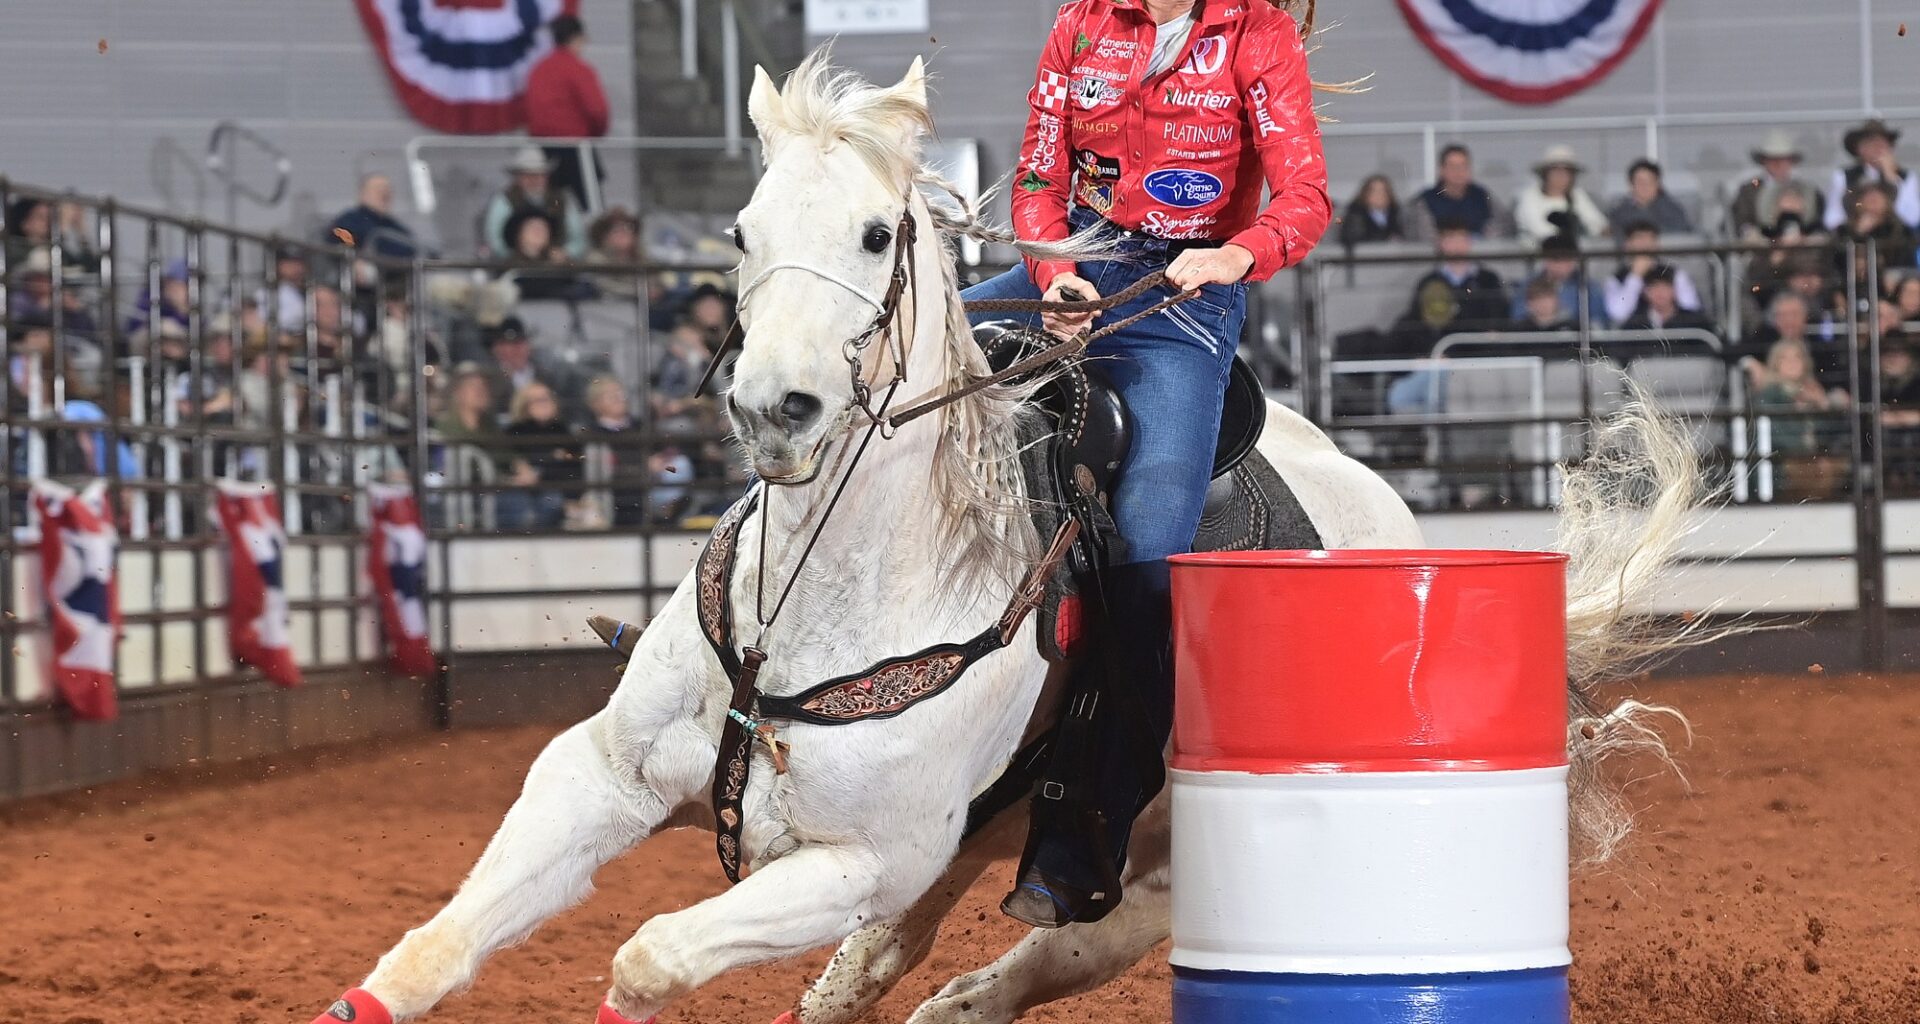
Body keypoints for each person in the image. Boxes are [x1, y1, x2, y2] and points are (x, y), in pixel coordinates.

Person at [960, 0, 1330, 928]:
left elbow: (1303, 197)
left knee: (1150, 558)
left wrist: (1236, 256)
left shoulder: (1258, 35)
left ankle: (1084, 836)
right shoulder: (1080, 23)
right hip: (1073, 270)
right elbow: (1039, 177)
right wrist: (1055, 273)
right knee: (887, 365)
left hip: (1182, 306)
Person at [525, 14, 611, 210]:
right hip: (576, 149)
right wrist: (595, 134)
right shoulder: (579, 69)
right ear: (576, 38)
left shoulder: (539, 70)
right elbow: (597, 110)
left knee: (550, 205)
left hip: (545, 149)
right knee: (592, 205)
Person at [1742, 337, 1844, 499]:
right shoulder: (1768, 395)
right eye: (1785, 358)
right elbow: (1775, 435)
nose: (1792, 363)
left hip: (1812, 460)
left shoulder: (1812, 392)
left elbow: (1832, 435)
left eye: (1797, 357)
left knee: (1835, 465)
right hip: (1780, 463)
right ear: (1775, 364)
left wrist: (1823, 404)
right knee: (1817, 472)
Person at [1391, 219, 1509, 354]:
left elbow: (1498, 318)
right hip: (1442, 354)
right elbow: (1419, 323)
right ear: (1440, 243)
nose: (1457, 245)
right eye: (1451, 239)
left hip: (1480, 353)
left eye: (1461, 238)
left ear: (1469, 242)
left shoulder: (1488, 279)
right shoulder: (1429, 282)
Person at [497, 382, 581, 531]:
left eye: (546, 398)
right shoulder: (513, 432)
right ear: (524, 405)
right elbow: (509, 463)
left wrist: (541, 471)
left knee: (554, 502)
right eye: (537, 400)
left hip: (558, 490)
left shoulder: (564, 431)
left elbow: (575, 464)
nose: (544, 403)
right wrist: (553, 458)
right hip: (522, 492)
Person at [482, 146, 587, 259]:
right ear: (518, 177)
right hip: (515, 263)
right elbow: (495, 239)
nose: (533, 179)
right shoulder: (504, 200)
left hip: (556, 264)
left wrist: (565, 252)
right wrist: (514, 257)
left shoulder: (562, 199)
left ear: (547, 176)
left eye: (538, 174)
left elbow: (578, 237)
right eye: (527, 175)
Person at [1824, 118, 1920, 233]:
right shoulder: (1843, 176)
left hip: (1895, 238)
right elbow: (1833, 218)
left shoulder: (1907, 177)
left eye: (1882, 144)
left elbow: (1912, 218)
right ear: (1859, 149)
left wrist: (1891, 176)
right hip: (1857, 236)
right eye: (1871, 143)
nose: (1877, 149)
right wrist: (1856, 227)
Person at [1731, 131, 1824, 242]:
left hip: (1803, 246)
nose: (1778, 163)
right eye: (1773, 158)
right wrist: (1753, 234)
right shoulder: (1749, 190)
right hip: (1762, 248)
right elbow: (1740, 222)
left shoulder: (1806, 189)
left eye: (1783, 158)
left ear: (1791, 161)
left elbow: (1818, 220)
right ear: (1764, 161)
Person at [1605, 222, 1703, 324]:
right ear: (1627, 244)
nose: (1645, 244)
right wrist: (1635, 277)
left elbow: (1691, 308)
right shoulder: (1617, 278)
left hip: (1674, 329)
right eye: (1639, 238)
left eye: (1650, 239)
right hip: (1635, 331)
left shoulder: (1674, 273)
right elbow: (1618, 314)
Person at [1514, 144, 1608, 244]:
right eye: (1556, 171)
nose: (1561, 176)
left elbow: (1598, 224)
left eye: (1567, 172)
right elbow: (1539, 230)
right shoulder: (1529, 197)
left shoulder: (1577, 195)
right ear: (1545, 174)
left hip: (1574, 251)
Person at [1407, 143, 1503, 240]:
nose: (1458, 172)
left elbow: (1500, 226)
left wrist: (1472, 241)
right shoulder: (1426, 200)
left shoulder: (1483, 197)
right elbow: (1423, 236)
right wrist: (1445, 242)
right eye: (1452, 166)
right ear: (1441, 170)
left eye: (1463, 166)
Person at [1509, 233, 1606, 326]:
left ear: (1574, 260)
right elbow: (1518, 318)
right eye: (1556, 260)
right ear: (1545, 260)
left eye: (1567, 259)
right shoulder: (1529, 285)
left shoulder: (1589, 287)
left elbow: (1598, 322)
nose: (1562, 265)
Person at [326, 173, 417, 259]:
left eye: (387, 190)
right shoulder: (349, 221)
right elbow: (336, 246)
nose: (384, 194)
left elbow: (412, 250)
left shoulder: (396, 228)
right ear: (362, 194)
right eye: (378, 189)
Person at [1836, 180, 1917, 268]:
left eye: (1879, 194)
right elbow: (1839, 260)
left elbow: (1906, 263)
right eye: (1867, 195)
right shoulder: (1843, 231)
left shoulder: (1901, 231)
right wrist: (1858, 233)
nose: (1873, 196)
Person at [1620, 265, 1715, 336]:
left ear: (1674, 290)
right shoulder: (1635, 324)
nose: (1659, 293)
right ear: (1645, 292)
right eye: (1654, 287)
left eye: (1665, 287)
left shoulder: (1694, 321)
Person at [1607, 159, 1693, 237]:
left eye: (1649, 181)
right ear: (1631, 185)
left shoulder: (1674, 212)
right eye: (1640, 181)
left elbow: (1682, 237)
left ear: (1658, 184)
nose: (1645, 186)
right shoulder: (1618, 214)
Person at [1337, 174, 1404, 246]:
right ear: (1365, 194)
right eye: (1374, 191)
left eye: (1383, 191)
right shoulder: (1354, 216)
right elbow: (1350, 238)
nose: (1379, 195)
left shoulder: (1399, 215)